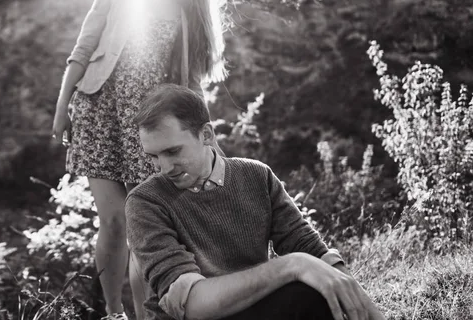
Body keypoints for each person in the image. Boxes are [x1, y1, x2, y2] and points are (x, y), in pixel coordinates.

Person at [51, 0, 227, 319]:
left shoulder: (189, 7)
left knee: (142, 226)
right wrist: (62, 107)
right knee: (112, 222)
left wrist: (202, 136)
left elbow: (192, 83)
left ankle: (147, 315)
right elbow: (84, 47)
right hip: (98, 111)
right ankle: (113, 312)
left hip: (150, 126)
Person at [125, 84, 386, 320]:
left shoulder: (256, 175)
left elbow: (312, 250)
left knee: (318, 291)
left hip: (255, 311)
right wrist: (292, 265)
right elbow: (191, 305)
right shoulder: (145, 202)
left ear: (205, 134)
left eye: (172, 151)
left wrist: (368, 309)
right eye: (154, 156)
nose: (164, 168)